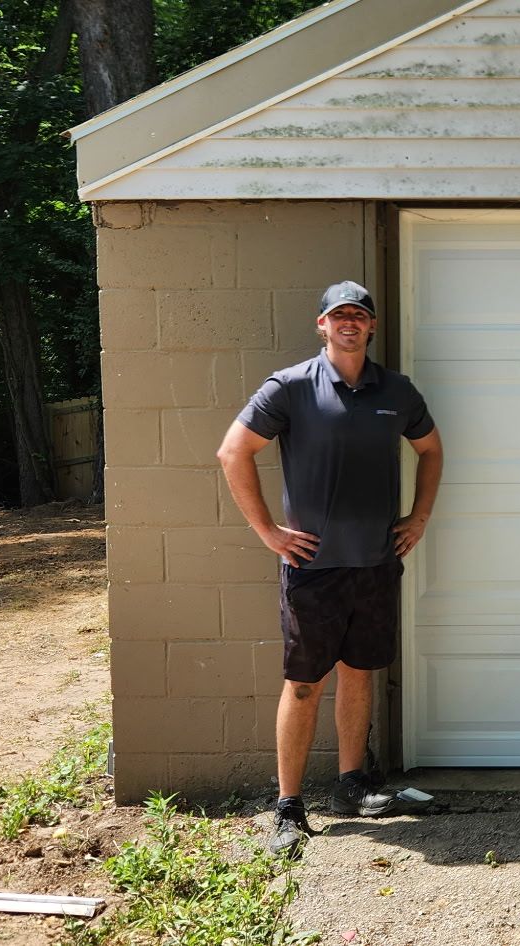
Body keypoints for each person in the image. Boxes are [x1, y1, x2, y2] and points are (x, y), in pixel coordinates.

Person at [216, 279, 444, 857]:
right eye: (338, 315)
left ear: (371, 326)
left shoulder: (397, 390)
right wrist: (268, 531)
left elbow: (430, 450)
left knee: (360, 674)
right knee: (303, 685)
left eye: (358, 315)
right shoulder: (290, 387)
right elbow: (233, 451)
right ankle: (289, 807)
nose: (349, 323)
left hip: (375, 563)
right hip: (313, 569)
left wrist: (419, 516)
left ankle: (351, 786)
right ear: (322, 324)